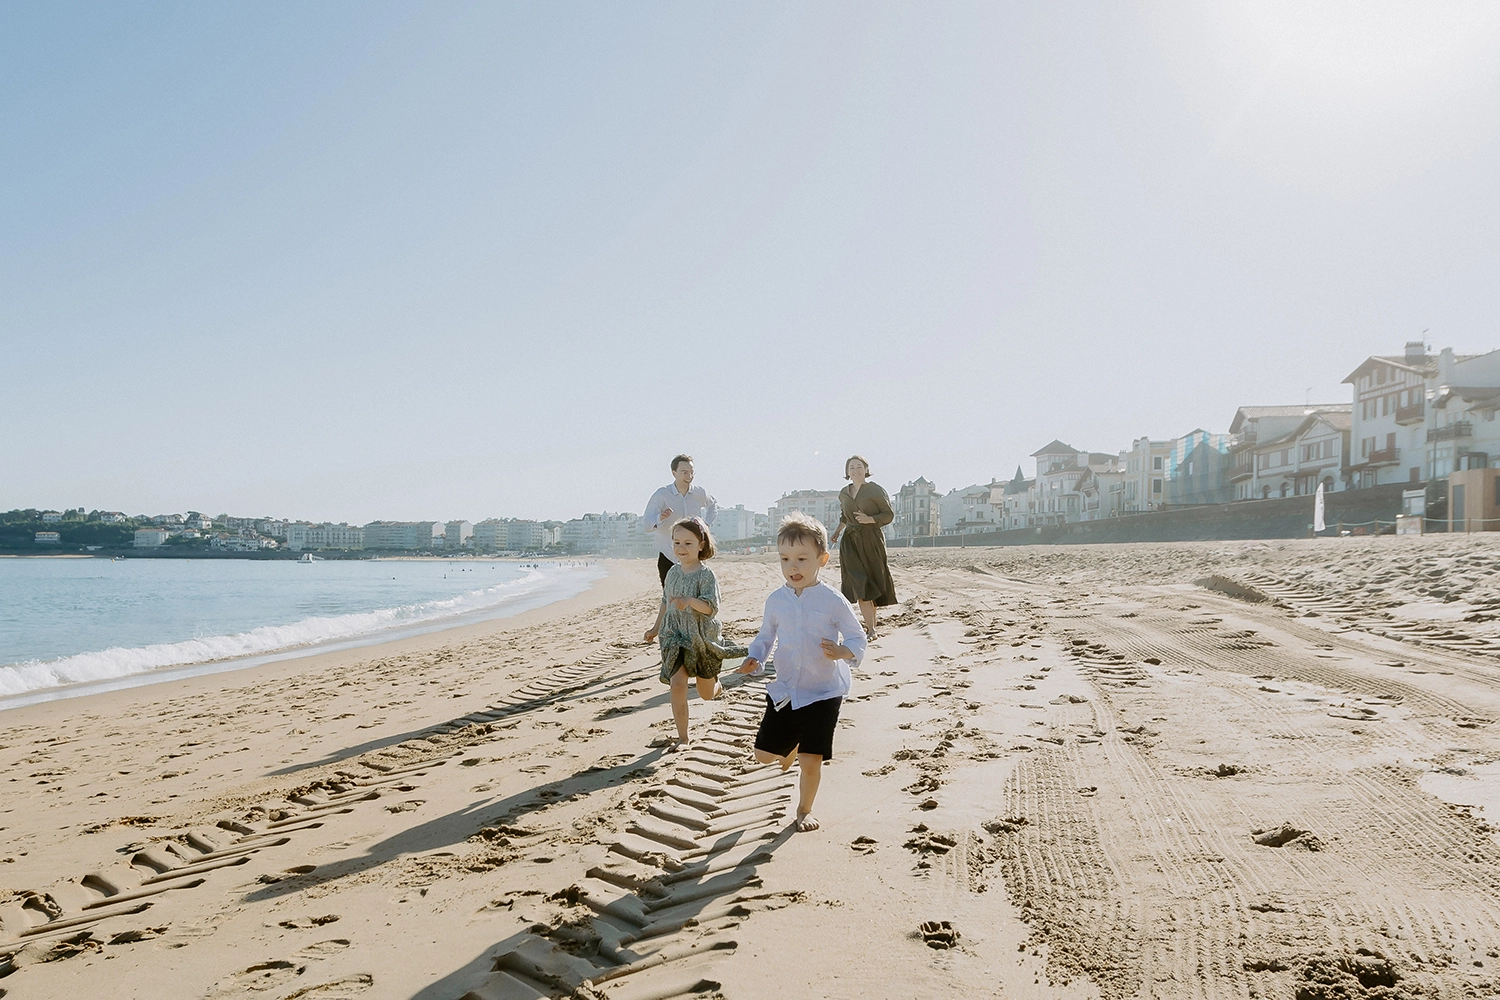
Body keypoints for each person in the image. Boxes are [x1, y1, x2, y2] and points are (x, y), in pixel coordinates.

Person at [737, 513, 866, 832]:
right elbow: (765, 637)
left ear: (821, 559)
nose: (792, 567)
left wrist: (842, 651)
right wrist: (755, 657)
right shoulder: (776, 601)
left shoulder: (832, 600)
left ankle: (804, 810)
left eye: (801, 559)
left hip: (824, 692)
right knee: (763, 756)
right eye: (785, 559)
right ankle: (791, 745)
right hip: (787, 688)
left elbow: (856, 636)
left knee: (811, 761)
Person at [645, 518, 745, 749]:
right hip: (674, 635)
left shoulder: (705, 575)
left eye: (688, 543)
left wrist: (690, 601)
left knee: (706, 693)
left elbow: (711, 608)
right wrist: (655, 628)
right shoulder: (672, 573)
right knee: (677, 683)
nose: (681, 548)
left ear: (701, 545)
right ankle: (683, 737)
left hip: (700, 636)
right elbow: (665, 602)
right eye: (677, 542)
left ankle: (716, 685)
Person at [828, 455, 897, 638]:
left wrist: (870, 520)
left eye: (859, 467)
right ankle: (871, 629)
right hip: (850, 540)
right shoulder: (843, 492)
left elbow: (888, 515)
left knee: (871, 582)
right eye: (852, 467)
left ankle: (871, 628)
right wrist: (837, 531)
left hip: (871, 539)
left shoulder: (875, 490)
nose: (855, 470)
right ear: (847, 472)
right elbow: (845, 515)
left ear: (866, 469)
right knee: (858, 582)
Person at [644, 455, 717, 587]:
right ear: (674, 473)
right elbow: (647, 524)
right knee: (670, 599)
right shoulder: (662, 495)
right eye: (684, 472)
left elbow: (713, 504)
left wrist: (705, 524)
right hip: (668, 555)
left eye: (691, 472)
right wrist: (660, 518)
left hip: (694, 556)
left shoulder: (699, 493)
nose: (689, 476)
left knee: (694, 596)